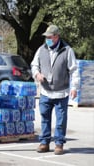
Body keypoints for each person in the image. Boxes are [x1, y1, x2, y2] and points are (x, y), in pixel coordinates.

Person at [31, 25, 79, 155]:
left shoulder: (67, 51)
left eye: (49, 37)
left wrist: (74, 87)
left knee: (60, 120)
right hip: (46, 92)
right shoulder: (41, 50)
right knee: (45, 118)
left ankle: (59, 144)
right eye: (46, 37)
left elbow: (74, 70)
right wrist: (37, 74)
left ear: (56, 37)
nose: (47, 39)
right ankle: (44, 143)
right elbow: (34, 65)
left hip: (61, 92)